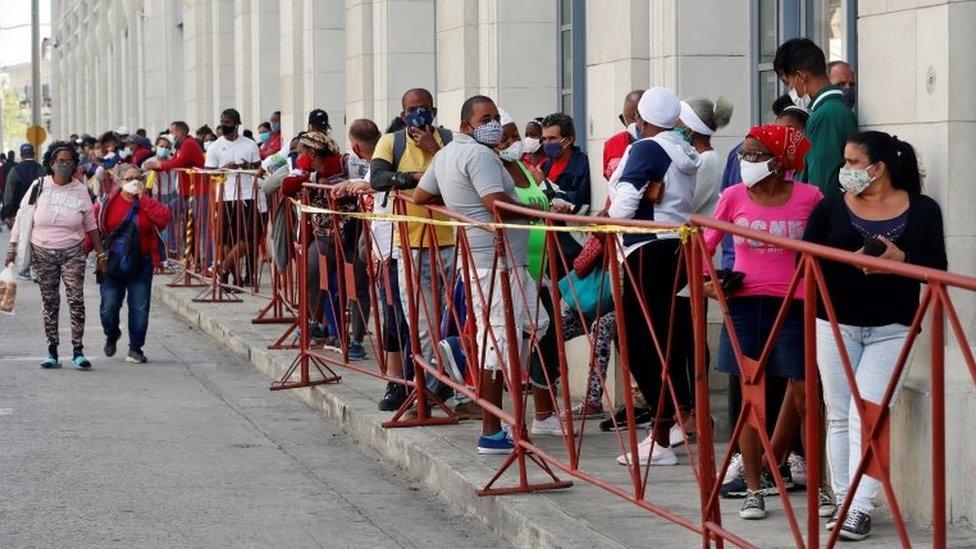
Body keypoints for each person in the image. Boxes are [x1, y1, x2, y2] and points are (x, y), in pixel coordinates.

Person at [803, 132, 946, 541]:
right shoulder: (829, 208)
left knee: (870, 415)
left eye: (851, 163)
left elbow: (937, 265)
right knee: (840, 413)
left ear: (878, 168)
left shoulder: (922, 211)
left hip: (893, 329)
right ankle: (846, 501)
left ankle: (859, 508)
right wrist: (849, 260)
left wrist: (901, 261)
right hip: (835, 323)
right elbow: (807, 262)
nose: (843, 171)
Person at [414, 95, 554, 453]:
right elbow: (496, 205)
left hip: (498, 260)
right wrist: (540, 214)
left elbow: (420, 196)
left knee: (536, 325)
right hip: (495, 262)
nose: (492, 124)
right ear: (465, 126)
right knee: (497, 342)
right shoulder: (479, 156)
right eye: (484, 118)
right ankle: (493, 431)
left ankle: (515, 405)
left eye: (494, 117)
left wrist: (459, 211)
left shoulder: (446, 154)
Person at [703, 124, 821, 520]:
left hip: (794, 307)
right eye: (744, 153)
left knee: (807, 398)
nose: (744, 160)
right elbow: (705, 246)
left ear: (777, 160)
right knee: (751, 402)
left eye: (754, 154)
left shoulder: (810, 198)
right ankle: (755, 489)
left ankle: (820, 487)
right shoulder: (733, 196)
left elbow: (825, 247)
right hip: (744, 306)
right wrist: (710, 285)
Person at [606, 87, 700, 467]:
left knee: (639, 340)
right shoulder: (685, 151)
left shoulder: (647, 149)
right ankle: (671, 422)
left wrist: (608, 224)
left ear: (642, 120)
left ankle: (659, 435)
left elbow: (626, 200)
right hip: (674, 248)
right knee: (665, 339)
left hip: (646, 248)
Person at [369, 88, 462, 414]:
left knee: (454, 320)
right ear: (403, 111)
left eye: (424, 108)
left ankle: (450, 389)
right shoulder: (391, 142)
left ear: (433, 110)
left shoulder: (449, 140)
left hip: (450, 244)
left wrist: (434, 149)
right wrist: (412, 178)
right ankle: (425, 390)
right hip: (411, 244)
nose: (418, 114)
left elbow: (459, 175)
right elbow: (377, 178)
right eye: (412, 109)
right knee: (421, 324)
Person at [5, 142, 108, 369]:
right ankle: (52, 351)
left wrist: (101, 254)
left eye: (68, 161)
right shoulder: (39, 185)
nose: (64, 165)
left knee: (76, 300)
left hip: (73, 251)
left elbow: (91, 224)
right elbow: (22, 218)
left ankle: (78, 351)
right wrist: (12, 248)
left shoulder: (80, 189)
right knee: (50, 302)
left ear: (74, 164)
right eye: (59, 161)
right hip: (43, 251)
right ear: (51, 163)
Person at [333, 120, 412, 411]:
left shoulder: (398, 170)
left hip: (406, 252)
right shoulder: (375, 168)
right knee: (392, 320)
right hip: (383, 254)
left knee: (407, 322)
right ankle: (395, 382)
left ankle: (408, 382)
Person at [95, 166, 171, 363]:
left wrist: (142, 198)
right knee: (109, 307)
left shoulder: (147, 203)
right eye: (130, 178)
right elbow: (93, 229)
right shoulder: (107, 203)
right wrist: (87, 253)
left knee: (139, 307)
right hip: (112, 263)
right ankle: (112, 334)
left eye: (138, 178)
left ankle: (135, 348)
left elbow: (164, 218)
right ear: (119, 181)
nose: (134, 181)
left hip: (142, 262)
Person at [774, 38, 857, 196]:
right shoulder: (826, 110)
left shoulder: (825, 115)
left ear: (801, 76)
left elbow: (821, 185)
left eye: (788, 82)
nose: (789, 88)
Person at [204, 108, 262, 287]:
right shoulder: (215, 146)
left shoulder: (249, 144)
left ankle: (221, 268)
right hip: (226, 195)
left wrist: (241, 166)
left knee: (250, 237)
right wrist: (224, 169)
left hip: (247, 194)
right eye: (223, 122)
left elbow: (258, 167)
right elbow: (208, 172)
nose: (225, 126)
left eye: (229, 123)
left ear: (236, 124)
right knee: (229, 239)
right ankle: (234, 277)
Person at [678, 97, 734, 216]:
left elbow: (687, 205)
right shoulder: (697, 157)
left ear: (690, 131)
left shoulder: (707, 161)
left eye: (678, 124)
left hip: (703, 232)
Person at [539, 112, 591, 215]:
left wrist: (542, 183)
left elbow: (575, 205)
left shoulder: (581, 165)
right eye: (544, 139)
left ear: (569, 139)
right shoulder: (545, 165)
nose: (547, 143)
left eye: (552, 138)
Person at [603, 90, 644, 180]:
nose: (638, 124)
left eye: (641, 117)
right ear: (623, 120)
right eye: (632, 118)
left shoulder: (660, 144)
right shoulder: (612, 144)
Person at [3, 144, 44, 229]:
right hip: (39, 212)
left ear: (21, 155)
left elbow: (9, 193)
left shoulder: (14, 170)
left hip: (19, 211)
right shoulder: (42, 169)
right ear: (34, 154)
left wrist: (7, 214)